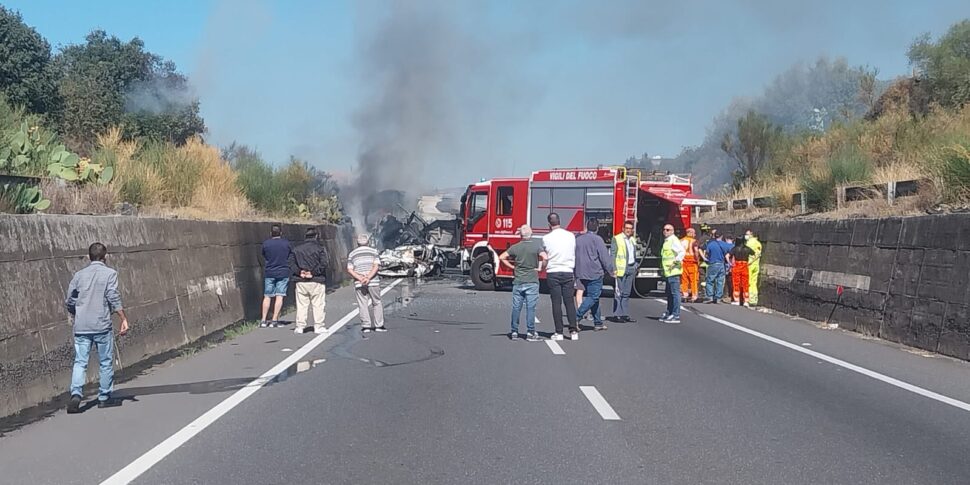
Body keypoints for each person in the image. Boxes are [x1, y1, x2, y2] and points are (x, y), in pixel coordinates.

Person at [65, 242, 129, 413]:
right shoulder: (110, 274)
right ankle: (104, 397)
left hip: (82, 326)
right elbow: (112, 296)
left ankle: (76, 393)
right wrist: (123, 317)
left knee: (80, 362)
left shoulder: (79, 275)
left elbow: (70, 300)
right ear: (105, 257)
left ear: (89, 257)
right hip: (101, 325)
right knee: (105, 361)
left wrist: (76, 312)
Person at [499, 225, 547, 341]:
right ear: (531, 234)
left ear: (521, 235)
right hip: (532, 280)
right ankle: (530, 332)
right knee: (531, 308)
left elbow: (502, 257)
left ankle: (514, 331)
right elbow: (545, 257)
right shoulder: (536, 246)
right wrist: (541, 268)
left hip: (518, 280)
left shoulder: (515, 247)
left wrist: (512, 267)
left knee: (516, 307)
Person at [542, 212, 579, 341]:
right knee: (569, 302)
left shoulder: (546, 238)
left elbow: (546, 254)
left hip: (553, 271)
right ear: (560, 221)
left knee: (556, 302)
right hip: (568, 270)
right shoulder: (571, 236)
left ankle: (559, 332)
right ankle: (573, 331)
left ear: (549, 224)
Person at [574, 218, 615, 330]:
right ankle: (576, 317)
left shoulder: (578, 239)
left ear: (586, 227)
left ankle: (598, 322)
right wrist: (611, 270)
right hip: (594, 272)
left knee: (594, 298)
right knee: (593, 296)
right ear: (597, 228)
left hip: (580, 271)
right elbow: (604, 257)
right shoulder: (597, 239)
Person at [289, 227, 329, 334]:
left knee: (301, 304)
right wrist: (313, 273)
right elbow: (324, 263)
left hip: (300, 281)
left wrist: (299, 272)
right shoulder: (320, 248)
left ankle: (300, 326)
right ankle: (319, 326)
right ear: (316, 236)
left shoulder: (296, 249)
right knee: (318, 304)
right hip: (316, 280)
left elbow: (291, 263)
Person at [347, 234, 386, 333]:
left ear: (357, 243)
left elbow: (349, 269)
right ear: (368, 242)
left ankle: (366, 326)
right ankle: (379, 325)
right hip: (373, 281)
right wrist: (368, 277)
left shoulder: (352, 254)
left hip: (359, 282)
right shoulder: (373, 252)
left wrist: (360, 278)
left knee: (362, 303)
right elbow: (376, 266)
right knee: (376, 302)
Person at [260, 224, 291, 328]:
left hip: (270, 272)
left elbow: (263, 255)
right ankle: (274, 320)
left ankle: (263, 320)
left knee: (267, 296)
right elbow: (289, 255)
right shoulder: (286, 244)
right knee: (279, 296)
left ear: (271, 233)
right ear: (281, 233)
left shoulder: (266, 244)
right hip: (283, 272)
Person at [610, 221, 638, 323]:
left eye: (630, 228)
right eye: (627, 228)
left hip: (630, 268)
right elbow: (613, 255)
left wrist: (635, 265)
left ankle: (625, 314)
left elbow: (634, 254)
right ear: (623, 228)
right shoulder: (617, 239)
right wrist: (613, 268)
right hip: (620, 270)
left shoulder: (632, 240)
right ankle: (617, 315)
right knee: (619, 293)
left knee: (626, 293)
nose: (628, 230)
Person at [660, 224, 686, 323]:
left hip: (673, 271)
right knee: (670, 294)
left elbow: (682, 252)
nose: (665, 231)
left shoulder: (673, 240)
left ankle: (676, 315)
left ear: (672, 231)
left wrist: (675, 262)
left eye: (668, 229)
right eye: (664, 229)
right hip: (668, 272)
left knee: (675, 294)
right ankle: (669, 312)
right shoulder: (667, 241)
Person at [702, 231, 732, 304]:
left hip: (712, 263)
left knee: (710, 280)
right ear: (721, 236)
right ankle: (718, 297)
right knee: (720, 281)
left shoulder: (710, 244)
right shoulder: (725, 245)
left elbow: (707, 253)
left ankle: (710, 296)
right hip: (721, 264)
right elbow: (731, 250)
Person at [727, 237, 754, 306]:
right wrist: (751, 262)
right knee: (745, 283)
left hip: (737, 266)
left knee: (736, 283)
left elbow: (727, 256)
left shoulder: (735, 248)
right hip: (745, 265)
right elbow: (756, 255)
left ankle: (737, 300)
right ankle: (746, 301)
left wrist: (730, 263)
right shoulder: (747, 249)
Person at [680, 228, 700, 303]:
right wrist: (697, 260)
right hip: (692, 262)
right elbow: (696, 251)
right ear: (690, 233)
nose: (694, 235)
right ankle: (694, 296)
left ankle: (685, 294)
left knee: (684, 280)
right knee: (693, 280)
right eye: (694, 233)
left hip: (683, 262)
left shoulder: (681, 241)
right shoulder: (693, 241)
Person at [745, 229, 763, 306]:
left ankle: (748, 299)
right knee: (754, 283)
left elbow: (746, 253)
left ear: (752, 235)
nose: (746, 236)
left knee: (748, 282)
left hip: (749, 265)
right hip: (756, 265)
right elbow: (758, 254)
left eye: (747, 234)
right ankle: (754, 299)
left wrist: (749, 263)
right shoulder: (759, 243)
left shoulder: (749, 243)